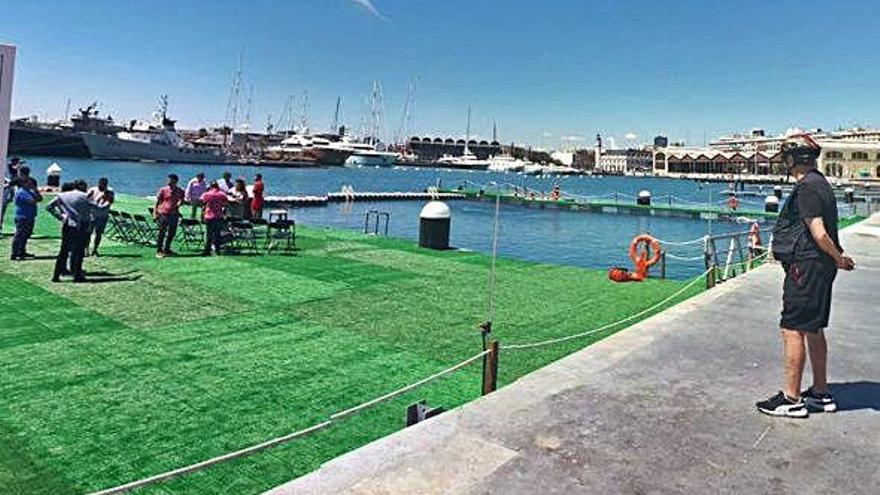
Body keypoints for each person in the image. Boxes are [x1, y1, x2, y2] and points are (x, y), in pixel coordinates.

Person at [757, 135, 855, 418]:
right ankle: (821, 393)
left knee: (792, 328)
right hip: (817, 266)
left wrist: (840, 258)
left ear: (794, 159)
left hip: (807, 266)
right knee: (813, 328)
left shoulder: (808, 187)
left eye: (787, 159)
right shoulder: (820, 183)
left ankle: (791, 397)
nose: (785, 164)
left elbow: (818, 231)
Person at [46, 179, 105, 282]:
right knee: (78, 252)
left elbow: (49, 206)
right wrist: (106, 201)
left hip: (68, 225)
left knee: (63, 251)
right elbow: (99, 208)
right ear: (82, 186)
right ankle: (77, 275)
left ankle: (56, 275)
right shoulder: (84, 196)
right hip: (81, 226)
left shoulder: (63, 195)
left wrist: (61, 217)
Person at [10, 171, 42, 260]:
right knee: (19, 235)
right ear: (23, 183)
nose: (30, 184)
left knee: (26, 235)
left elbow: (40, 198)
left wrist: (35, 190)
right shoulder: (21, 192)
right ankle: (14, 253)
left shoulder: (30, 191)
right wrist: (35, 195)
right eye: (28, 182)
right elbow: (33, 201)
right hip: (22, 216)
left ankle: (21, 252)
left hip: (30, 216)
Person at [154, 174, 185, 258]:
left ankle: (167, 248)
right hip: (164, 213)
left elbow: (182, 199)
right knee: (162, 232)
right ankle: (159, 250)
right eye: (168, 180)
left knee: (172, 232)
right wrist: (155, 213)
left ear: (175, 181)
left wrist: (180, 203)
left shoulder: (180, 190)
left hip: (174, 214)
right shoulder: (163, 190)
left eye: (171, 180)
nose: (169, 182)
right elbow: (157, 202)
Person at [86, 177, 114, 256]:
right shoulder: (93, 190)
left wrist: (98, 203)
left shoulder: (110, 192)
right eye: (101, 185)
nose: (103, 187)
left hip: (102, 216)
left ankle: (95, 249)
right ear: (98, 184)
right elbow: (85, 199)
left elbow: (108, 204)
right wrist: (95, 202)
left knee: (99, 233)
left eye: (104, 185)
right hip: (92, 215)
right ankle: (86, 249)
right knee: (88, 233)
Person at [200, 181, 228, 256]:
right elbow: (225, 204)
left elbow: (202, 202)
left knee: (209, 234)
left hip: (209, 216)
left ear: (211, 186)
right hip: (218, 216)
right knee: (217, 234)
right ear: (217, 186)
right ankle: (217, 250)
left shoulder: (207, 194)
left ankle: (207, 250)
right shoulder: (222, 194)